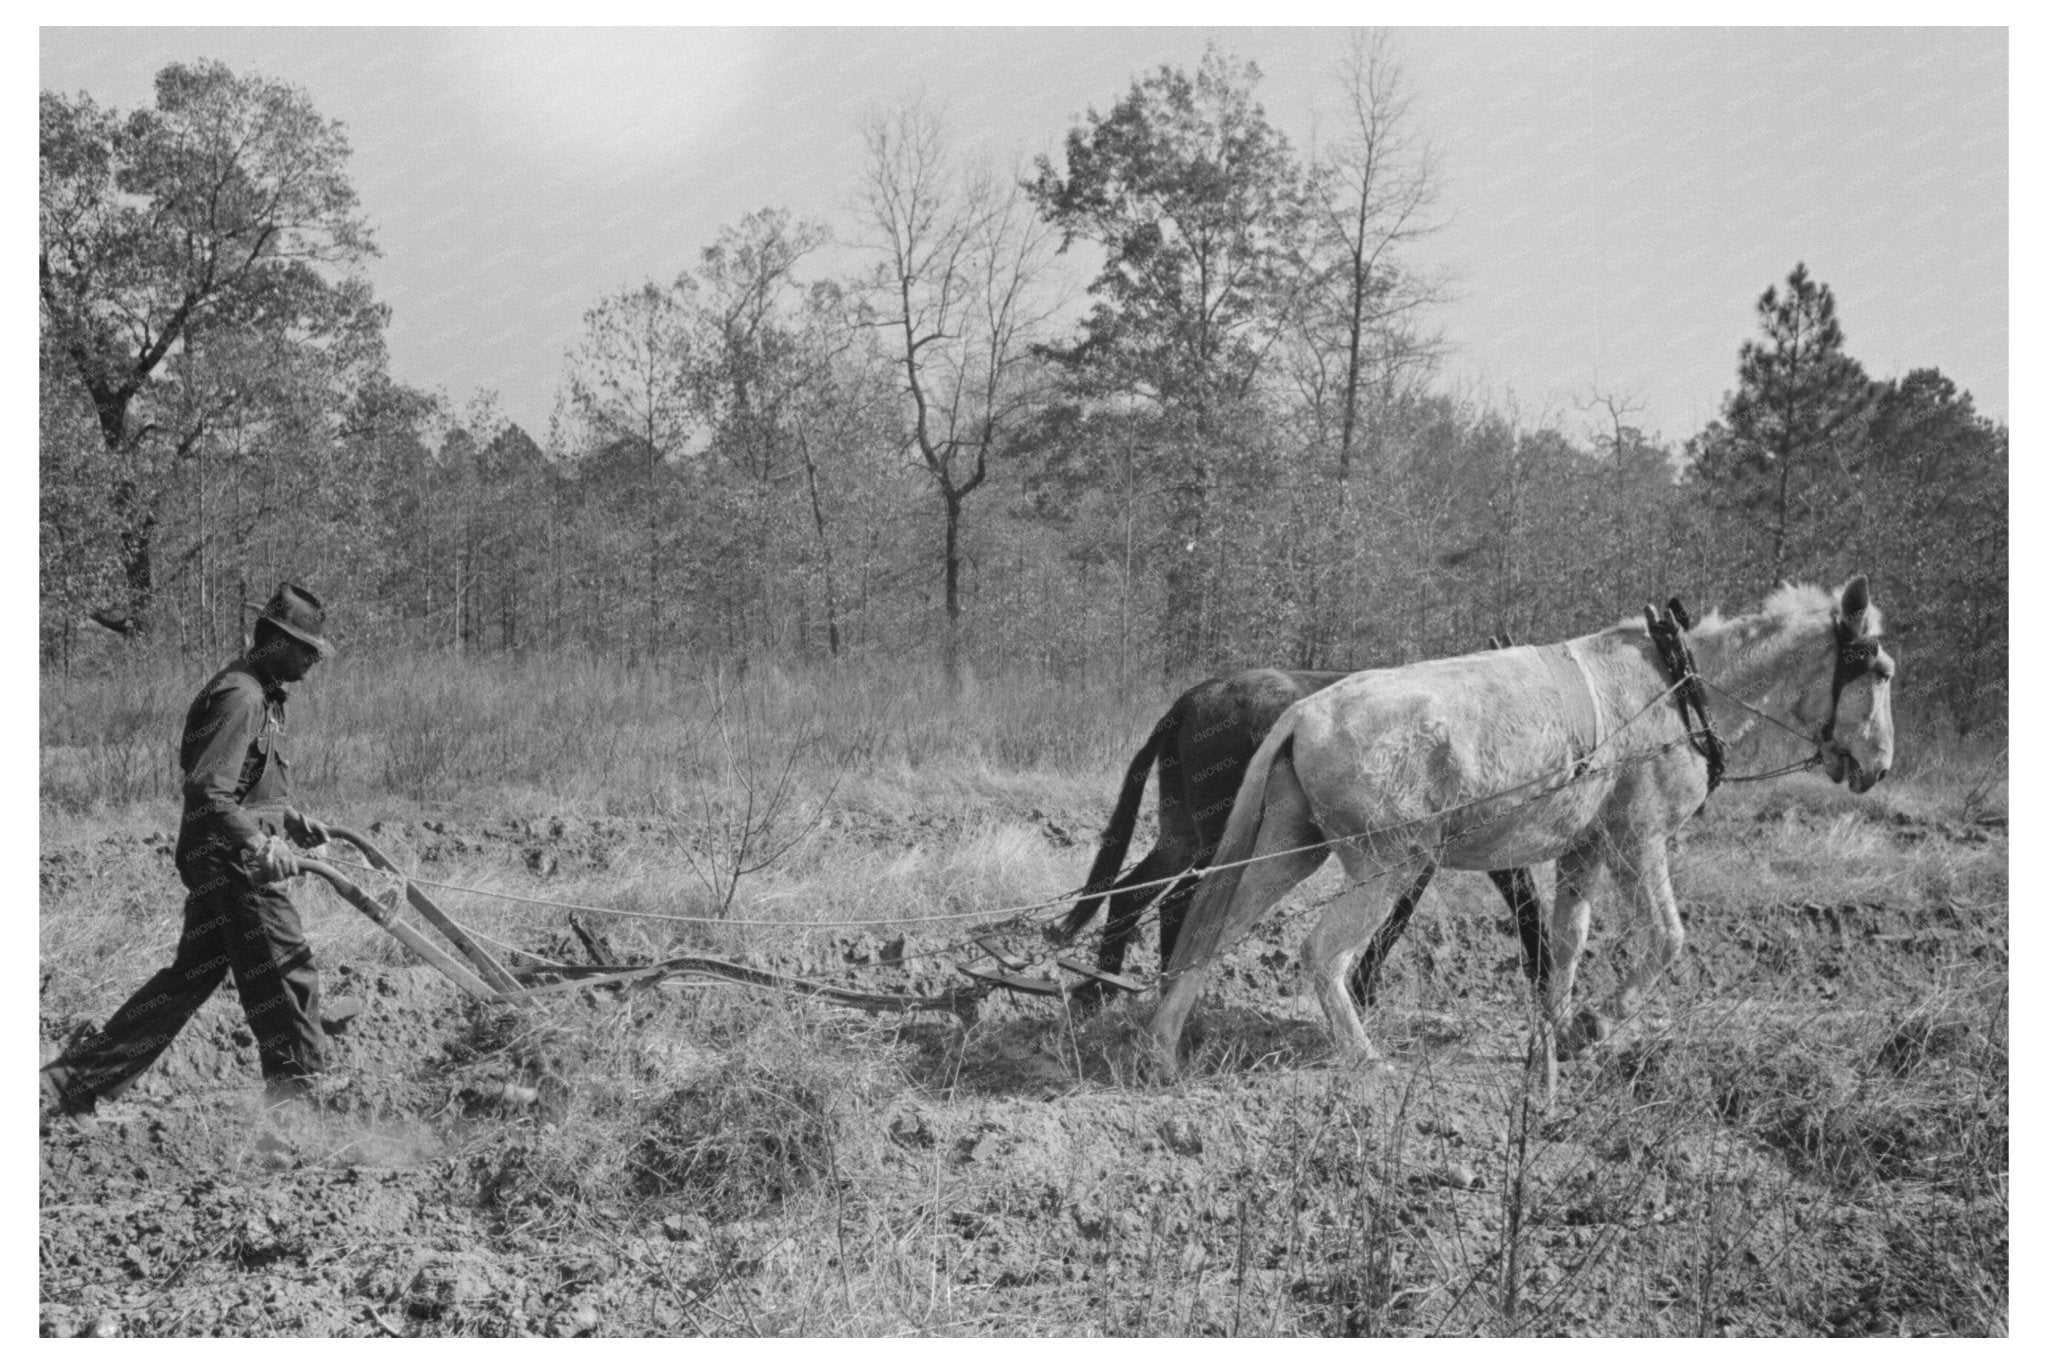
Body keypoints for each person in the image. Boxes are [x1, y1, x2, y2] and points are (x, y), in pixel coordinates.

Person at [41, 583, 343, 1126]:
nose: (313, 658)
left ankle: (72, 1082)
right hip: (233, 864)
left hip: (222, 857)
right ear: (274, 640)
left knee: (190, 977)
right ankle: (298, 1115)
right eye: (306, 647)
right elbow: (206, 790)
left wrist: (287, 818)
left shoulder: (264, 693)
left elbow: (243, 784)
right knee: (286, 974)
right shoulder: (242, 696)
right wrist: (258, 841)